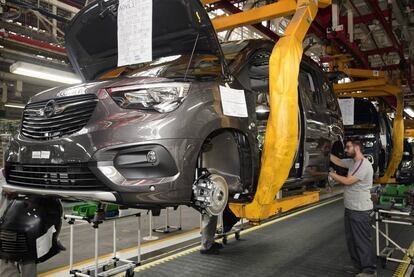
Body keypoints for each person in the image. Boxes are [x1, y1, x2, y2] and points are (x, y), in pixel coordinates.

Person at [329, 140, 377, 277]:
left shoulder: (363, 165)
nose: (345, 149)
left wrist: (331, 174)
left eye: (348, 147)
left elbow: (347, 181)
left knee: (362, 241)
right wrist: (325, 153)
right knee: (352, 241)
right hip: (350, 208)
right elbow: (338, 161)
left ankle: (369, 270)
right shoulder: (353, 163)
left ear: (357, 147)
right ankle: (359, 267)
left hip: (360, 210)